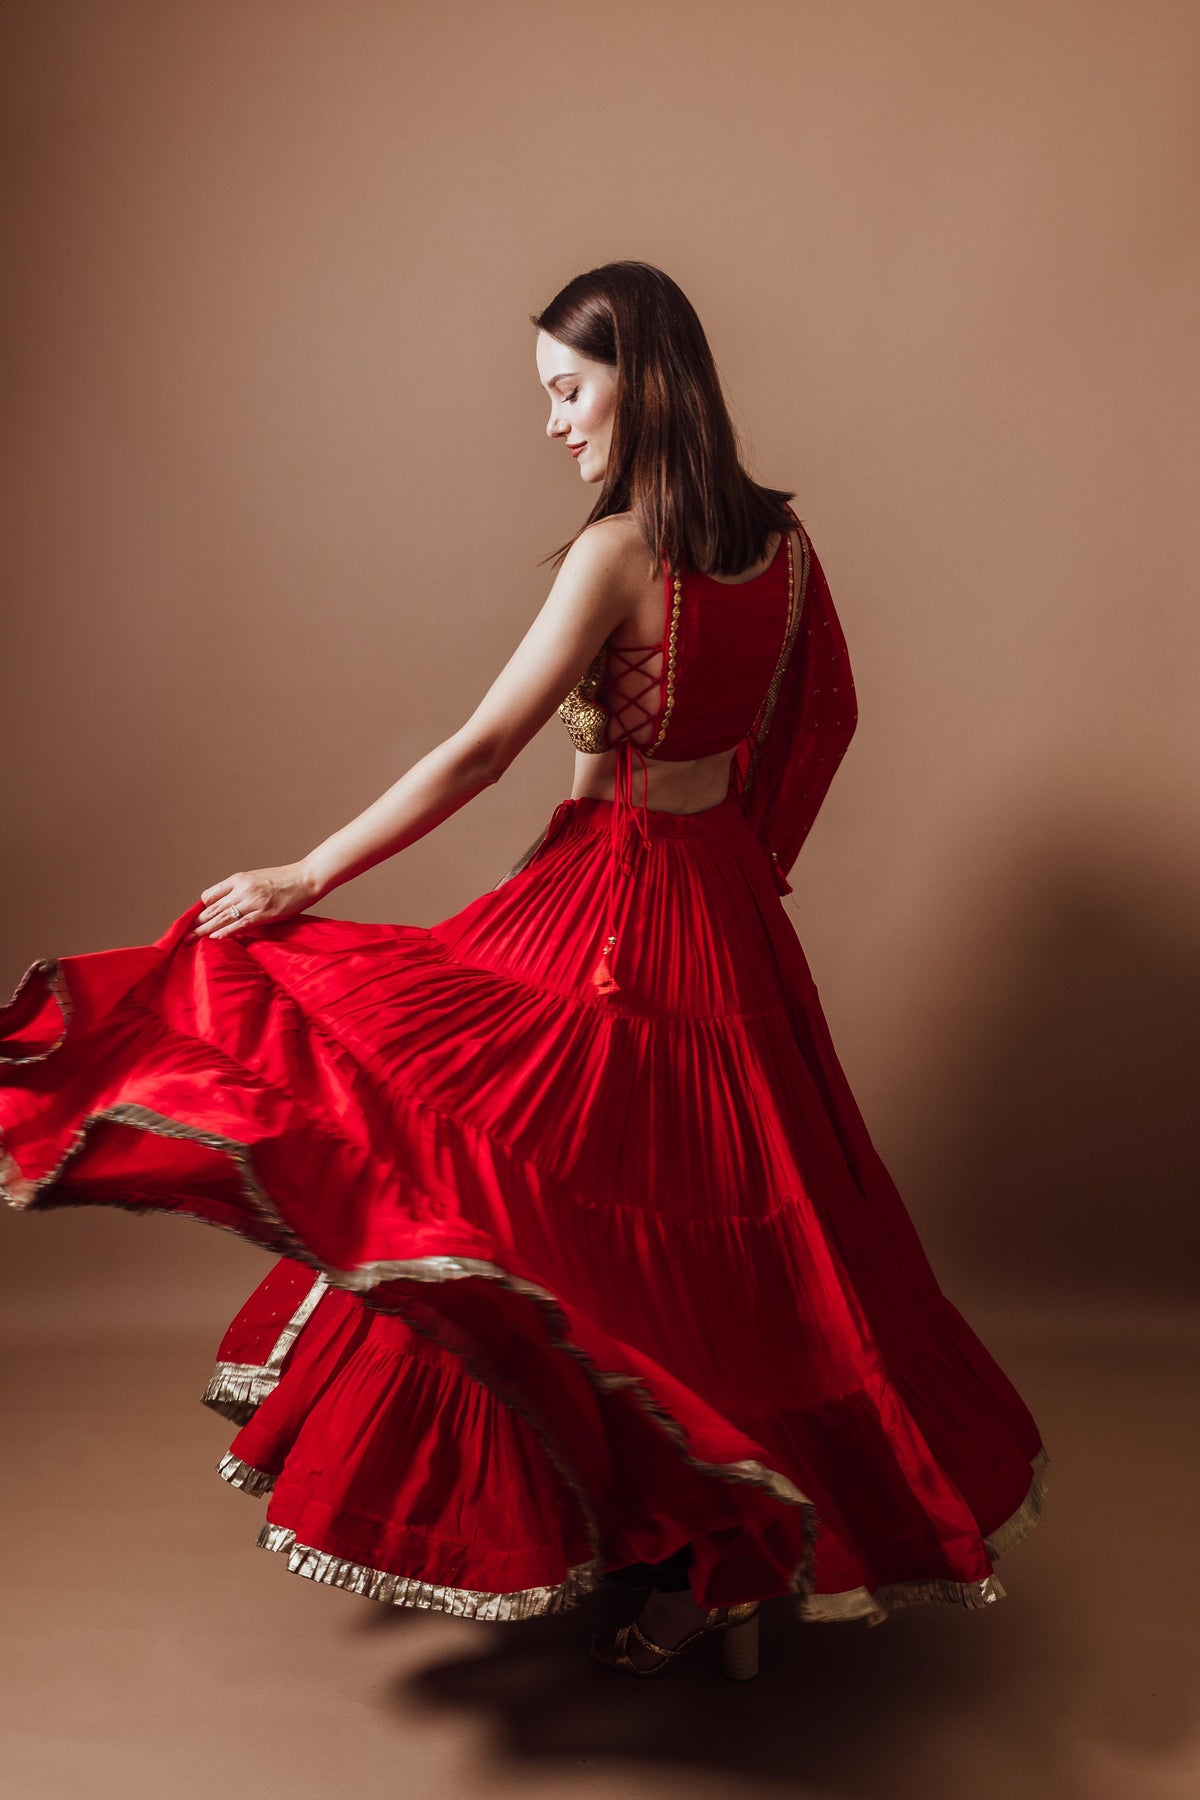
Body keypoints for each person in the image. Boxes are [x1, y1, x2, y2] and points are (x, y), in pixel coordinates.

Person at [0, 261, 1049, 1682]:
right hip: (725, 911)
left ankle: (680, 1532)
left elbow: (484, 749)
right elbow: (823, 720)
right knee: (729, 1248)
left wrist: (308, 874)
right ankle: (722, 1554)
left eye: (568, 389)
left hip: (608, 912)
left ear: (643, 381)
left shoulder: (619, 551)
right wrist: (748, 865)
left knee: (510, 1200)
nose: (553, 422)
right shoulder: (785, 546)